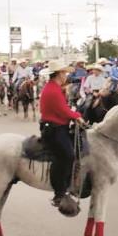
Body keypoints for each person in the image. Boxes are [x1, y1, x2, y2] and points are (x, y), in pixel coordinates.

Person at [39, 60, 85, 208]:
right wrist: (77, 116)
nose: (66, 75)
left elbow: (63, 109)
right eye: (64, 72)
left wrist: (74, 115)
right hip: (54, 128)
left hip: (58, 126)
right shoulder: (53, 90)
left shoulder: (55, 87)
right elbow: (63, 110)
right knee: (67, 155)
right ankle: (59, 192)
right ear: (59, 73)